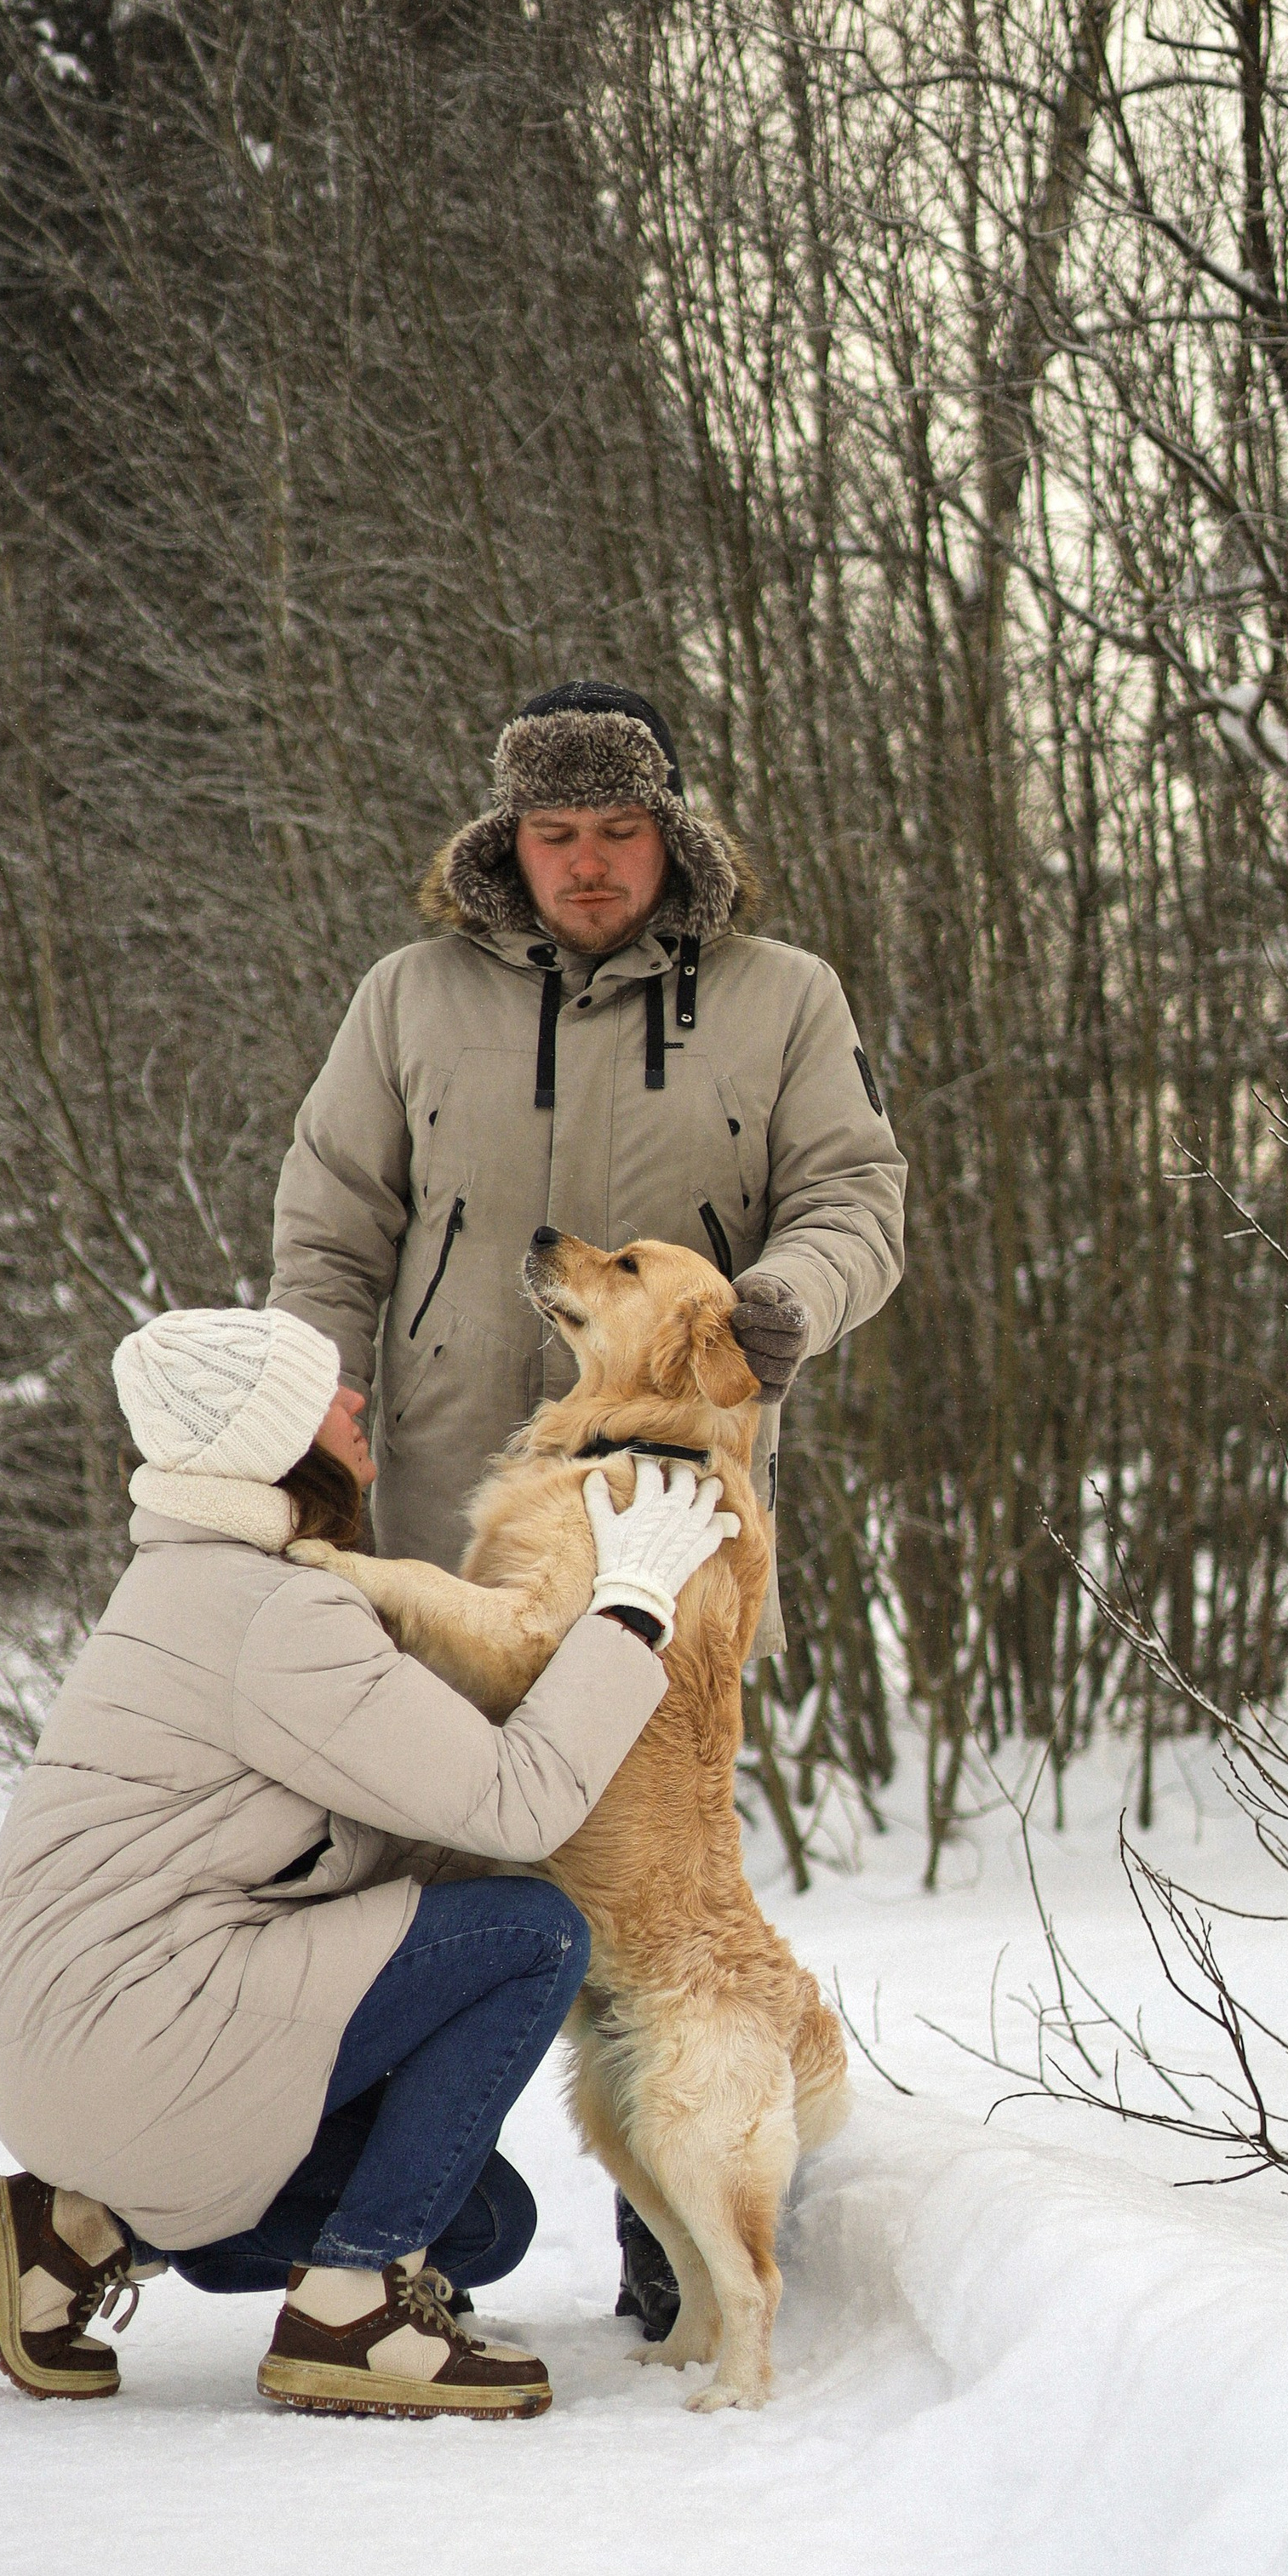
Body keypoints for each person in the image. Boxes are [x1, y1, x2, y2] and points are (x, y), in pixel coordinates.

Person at [267, 678, 907, 2335]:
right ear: (507, 840)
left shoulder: (779, 998)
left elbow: (855, 1195)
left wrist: (789, 1295)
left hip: (665, 1517)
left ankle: (665, 2211)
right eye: (553, 833)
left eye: (616, 829)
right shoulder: (408, 997)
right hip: (436, 1503)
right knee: (414, 1863)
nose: (587, 864)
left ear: (670, 831)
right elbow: (331, 1223)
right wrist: (312, 1423)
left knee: (648, 1838)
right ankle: (390, 2235)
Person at [0, 1302, 741, 2421]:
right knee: (529, 1934)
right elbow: (514, 1806)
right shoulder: (277, 1613)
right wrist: (630, 1608)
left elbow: (401, 1830)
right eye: (327, 1391)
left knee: (482, 2229)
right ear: (273, 1435)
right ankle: (349, 2311)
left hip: (72, 2046)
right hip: (141, 2031)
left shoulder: (196, 1586)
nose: (357, 1398)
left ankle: (82, 2225)